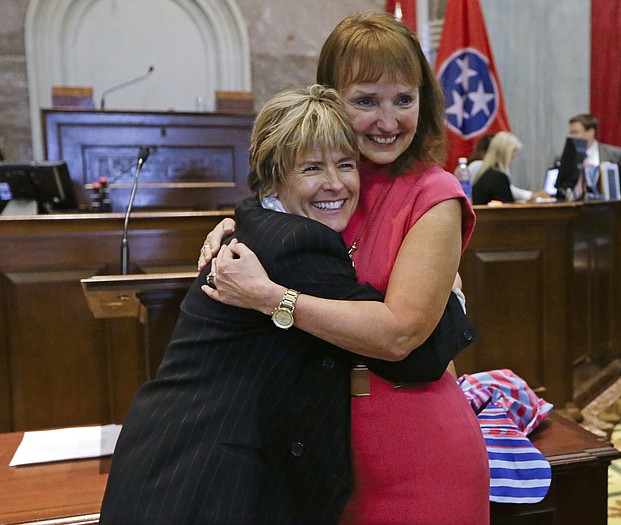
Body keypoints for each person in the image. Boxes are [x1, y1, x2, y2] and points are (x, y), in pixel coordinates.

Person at [99, 85, 474, 524]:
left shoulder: (258, 224)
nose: (334, 183)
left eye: (346, 165)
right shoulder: (298, 244)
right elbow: (414, 351)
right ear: (274, 177)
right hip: (207, 485)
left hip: (166, 464)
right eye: (312, 168)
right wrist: (447, 279)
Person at [199, 12, 490, 525]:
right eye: (365, 100)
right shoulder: (332, 183)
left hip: (417, 457)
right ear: (331, 99)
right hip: (321, 456)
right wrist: (231, 230)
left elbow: (399, 335)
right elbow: (271, 212)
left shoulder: (433, 193)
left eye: (404, 99)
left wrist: (272, 298)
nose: (388, 119)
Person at [568, 113, 621, 197]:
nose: (573, 137)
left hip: (609, 207)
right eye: (571, 133)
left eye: (576, 132)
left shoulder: (615, 154)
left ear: (591, 132)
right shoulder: (569, 157)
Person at [472, 131, 531, 205]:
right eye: (514, 153)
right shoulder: (499, 178)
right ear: (507, 153)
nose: (515, 158)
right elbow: (506, 211)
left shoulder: (483, 174)